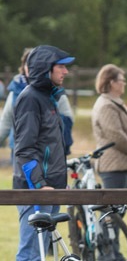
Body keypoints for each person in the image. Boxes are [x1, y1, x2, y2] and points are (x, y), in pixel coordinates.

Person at [13, 45, 74, 261]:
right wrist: (39, 185)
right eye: (60, 67)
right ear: (45, 68)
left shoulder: (48, 97)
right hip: (36, 189)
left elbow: (51, 146)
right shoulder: (30, 98)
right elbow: (25, 149)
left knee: (39, 253)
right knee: (30, 254)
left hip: (52, 186)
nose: (66, 71)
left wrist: (59, 182)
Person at [1, 48, 75, 163]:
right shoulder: (16, 91)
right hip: (21, 152)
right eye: (27, 64)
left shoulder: (55, 91)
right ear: (23, 66)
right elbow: (5, 122)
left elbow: (67, 118)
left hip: (50, 152)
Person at [92, 64, 127, 189]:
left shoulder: (115, 103)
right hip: (113, 166)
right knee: (116, 202)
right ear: (112, 83)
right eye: (122, 80)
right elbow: (116, 136)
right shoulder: (106, 106)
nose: (125, 84)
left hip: (121, 165)